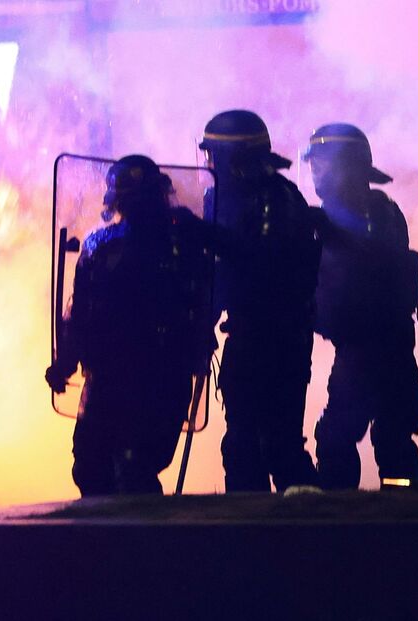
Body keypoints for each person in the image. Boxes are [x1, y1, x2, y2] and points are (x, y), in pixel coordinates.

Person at [46, 155, 212, 496]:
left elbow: (79, 316)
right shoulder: (186, 242)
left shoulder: (104, 244)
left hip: (124, 381)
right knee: (121, 469)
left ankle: (123, 547)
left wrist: (64, 365)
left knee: (111, 470)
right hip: (154, 379)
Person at [199, 110, 320, 492]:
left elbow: (260, 261)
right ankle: (251, 541)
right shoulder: (224, 200)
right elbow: (222, 271)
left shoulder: (276, 200)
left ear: (230, 159)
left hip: (276, 339)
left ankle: (320, 532)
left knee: (277, 447)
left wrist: (204, 234)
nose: (209, 164)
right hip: (249, 334)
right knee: (243, 446)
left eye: (213, 155)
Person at [302, 123, 418, 490]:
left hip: (373, 344)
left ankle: (347, 522)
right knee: (390, 433)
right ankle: (392, 517)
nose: (315, 173)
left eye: (322, 164)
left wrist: (326, 230)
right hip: (371, 343)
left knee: (343, 435)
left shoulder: (379, 216)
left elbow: (374, 259)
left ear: (347, 167)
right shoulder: (343, 215)